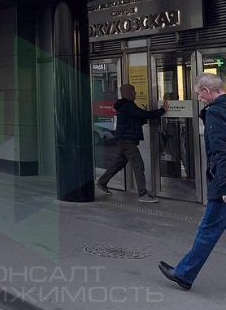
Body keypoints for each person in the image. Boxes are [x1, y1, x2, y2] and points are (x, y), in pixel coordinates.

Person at [159, 73, 226, 290]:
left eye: (199, 94)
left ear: (207, 91)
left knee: (208, 230)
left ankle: (184, 274)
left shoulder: (215, 112)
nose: (198, 98)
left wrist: (223, 187)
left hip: (223, 184)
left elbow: (221, 152)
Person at [97, 83, 167, 203]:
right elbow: (143, 115)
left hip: (124, 139)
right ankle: (142, 194)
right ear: (128, 93)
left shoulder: (125, 105)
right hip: (127, 140)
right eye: (133, 91)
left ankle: (102, 182)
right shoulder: (128, 106)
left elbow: (136, 119)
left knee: (119, 163)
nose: (135, 93)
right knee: (138, 165)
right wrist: (162, 110)